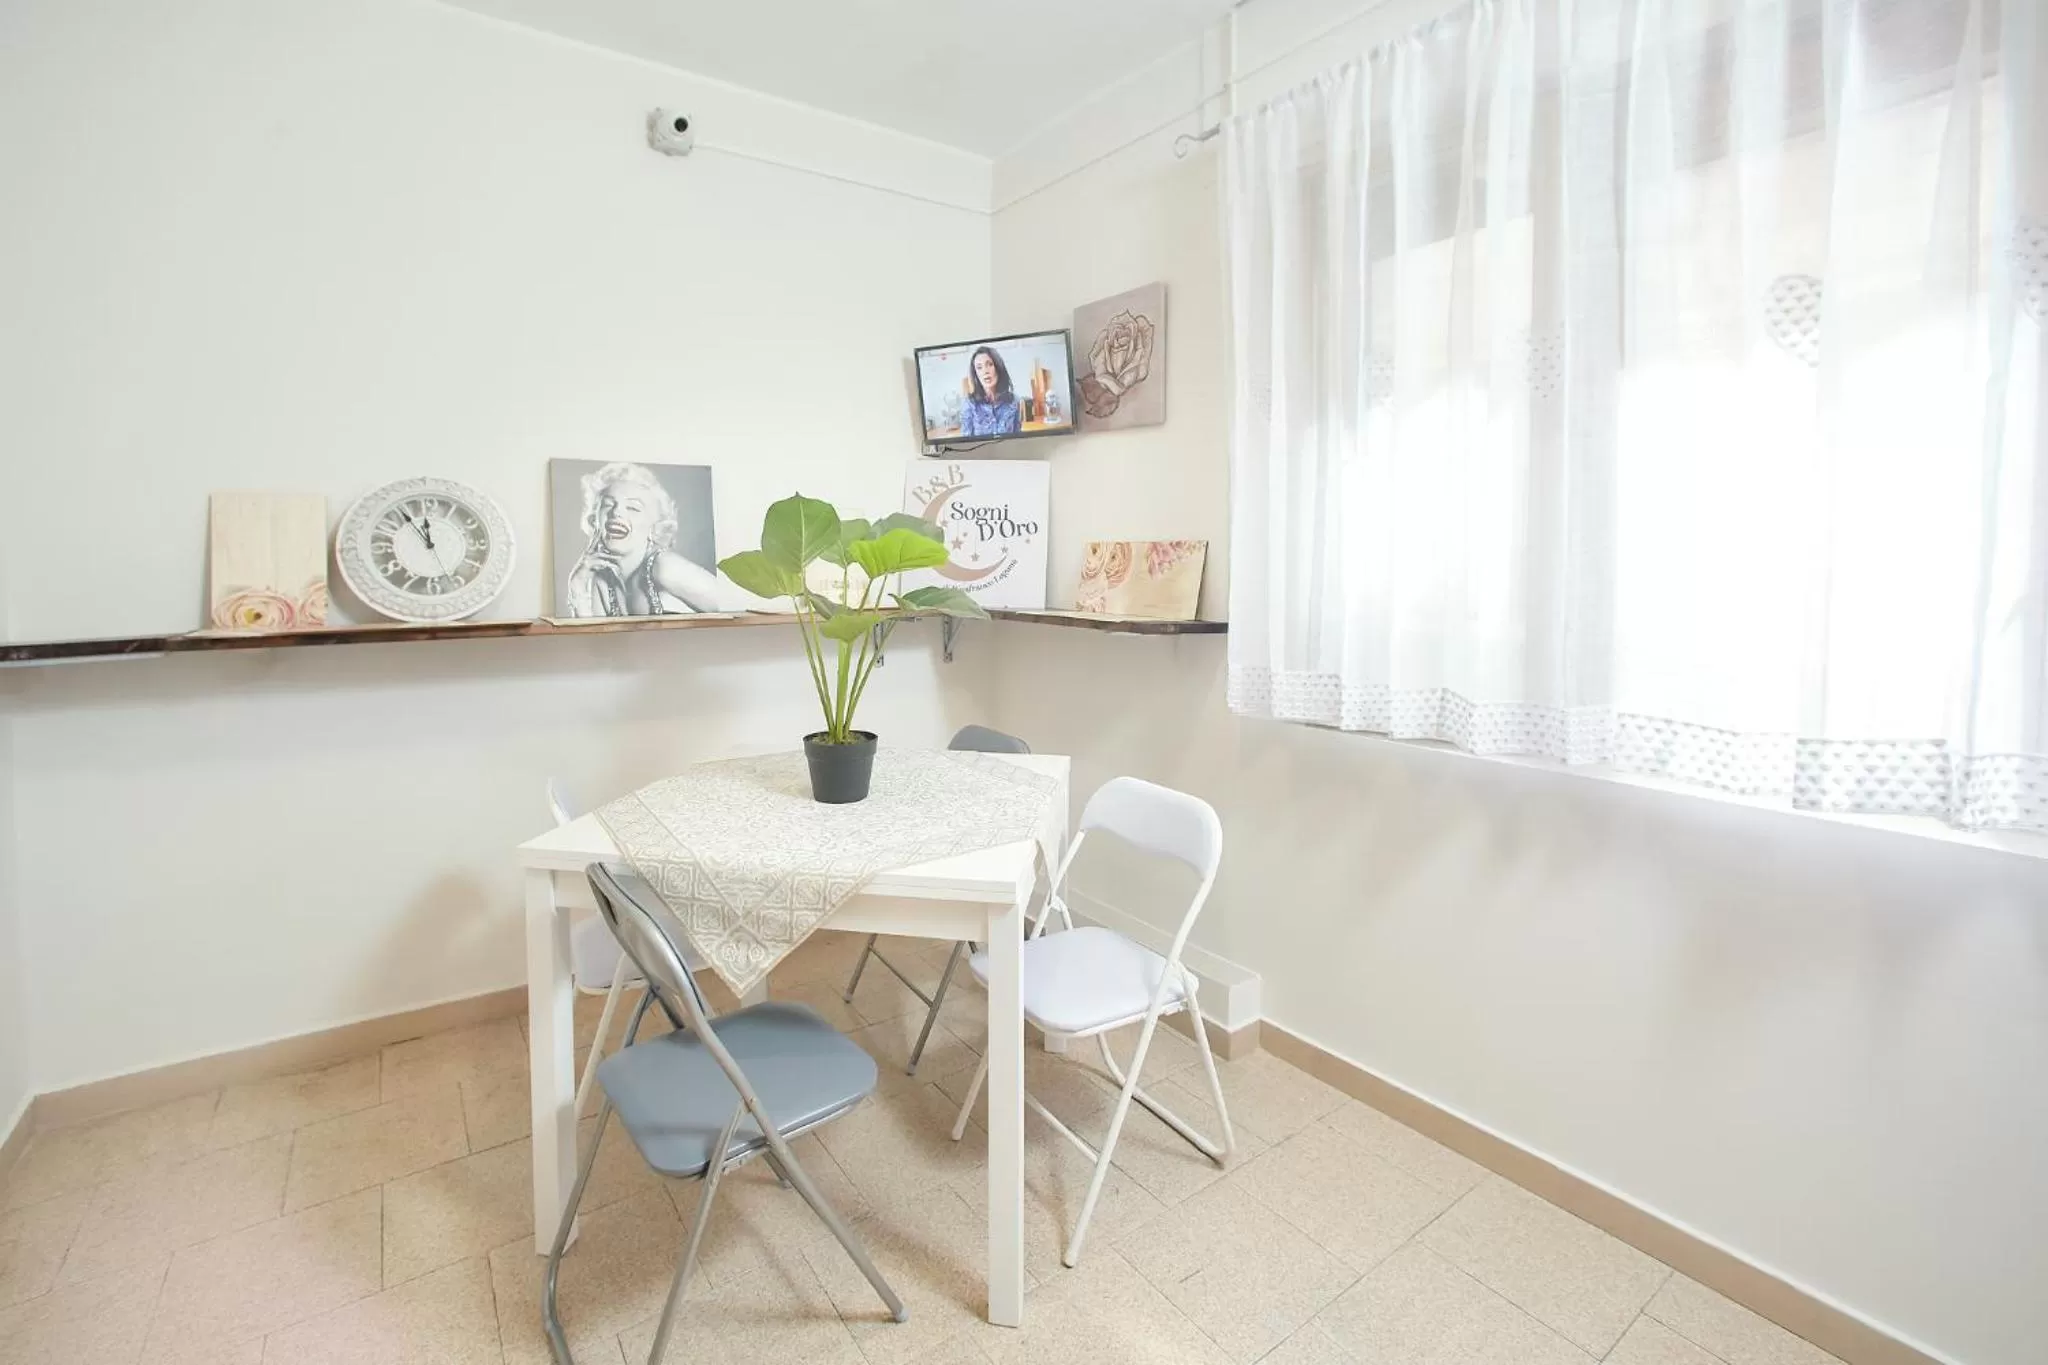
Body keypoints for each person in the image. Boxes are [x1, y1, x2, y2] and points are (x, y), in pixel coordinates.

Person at [564, 462, 729, 616]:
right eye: (608, 505)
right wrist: (577, 584)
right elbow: (596, 644)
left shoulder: (665, 567)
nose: (617, 513)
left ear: (655, 526)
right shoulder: (602, 583)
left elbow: (733, 608)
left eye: (633, 508)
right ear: (595, 519)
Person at [958, 346, 1022, 437]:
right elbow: (965, 443)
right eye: (979, 367)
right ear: (976, 374)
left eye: (990, 364)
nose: (985, 371)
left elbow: (1018, 438)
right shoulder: (969, 404)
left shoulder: (1014, 401)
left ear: (998, 367)